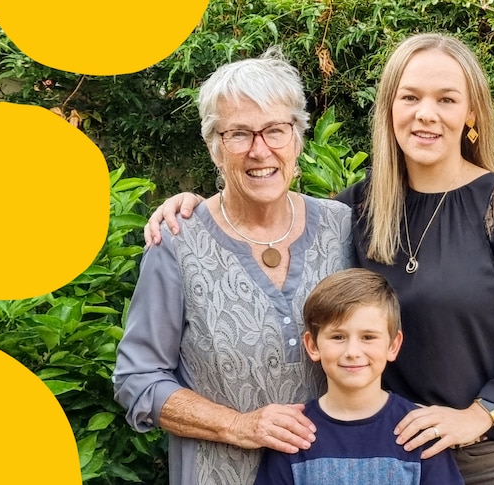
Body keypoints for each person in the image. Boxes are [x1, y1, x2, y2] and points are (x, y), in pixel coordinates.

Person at [144, 32, 494, 485]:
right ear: (390, 108)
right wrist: (198, 208)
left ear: (471, 113)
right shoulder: (355, 211)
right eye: (410, 97)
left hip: (480, 462)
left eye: (446, 99)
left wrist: (476, 415)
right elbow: (273, 211)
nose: (425, 114)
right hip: (376, 460)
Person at [112, 47, 354, 485]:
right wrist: (238, 425)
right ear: (214, 148)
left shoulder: (343, 228)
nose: (260, 151)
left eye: (276, 131)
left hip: (335, 471)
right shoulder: (178, 242)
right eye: (238, 134)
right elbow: (138, 379)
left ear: (298, 137)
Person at [253, 268, 465, 485]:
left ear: (393, 345)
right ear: (313, 345)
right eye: (338, 337)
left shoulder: (418, 432)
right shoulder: (294, 435)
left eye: (368, 337)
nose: (352, 352)